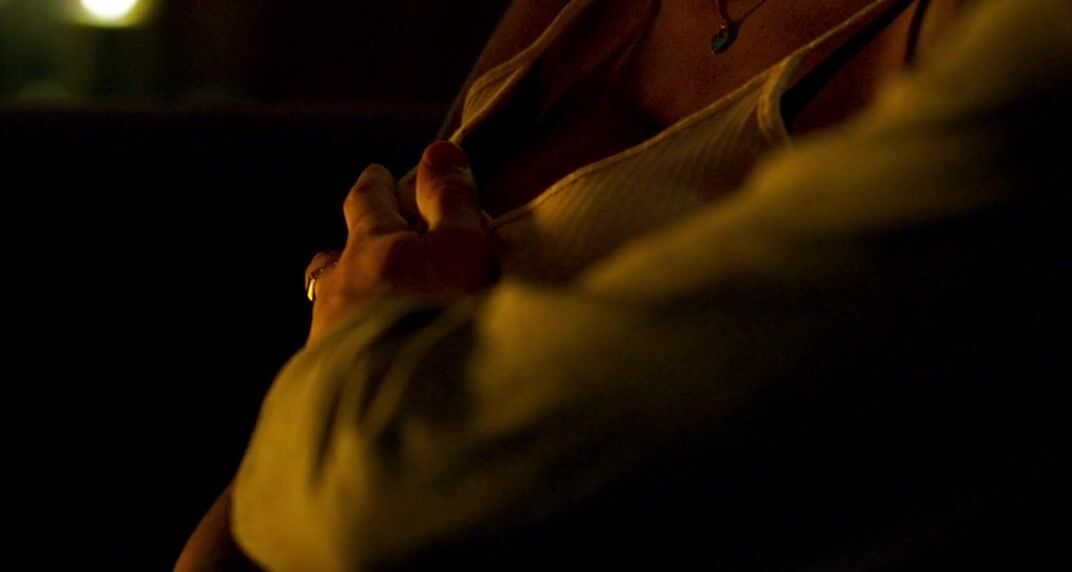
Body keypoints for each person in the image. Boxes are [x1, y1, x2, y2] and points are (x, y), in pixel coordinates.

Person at [177, 0, 1069, 569]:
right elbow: (356, 323)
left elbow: (373, 453)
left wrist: (362, 335)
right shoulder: (575, 15)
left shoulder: (992, 53)